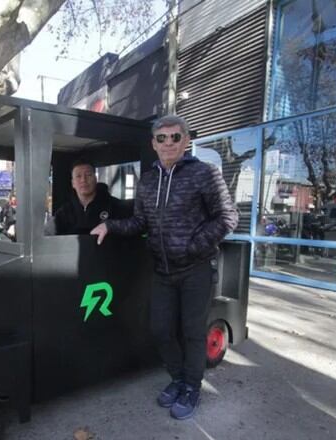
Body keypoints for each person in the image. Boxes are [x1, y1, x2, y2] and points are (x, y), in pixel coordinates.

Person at [90, 115, 238, 420]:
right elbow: (139, 222)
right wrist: (109, 226)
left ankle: (192, 388)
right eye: (162, 138)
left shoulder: (204, 174)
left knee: (193, 333)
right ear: (153, 143)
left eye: (175, 137)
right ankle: (178, 378)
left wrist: (192, 246)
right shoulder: (147, 180)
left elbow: (228, 217)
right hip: (163, 271)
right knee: (160, 330)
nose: (168, 143)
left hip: (196, 268)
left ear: (186, 141)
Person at [52, 159, 130, 235]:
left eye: (88, 175)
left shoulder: (115, 207)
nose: (83, 180)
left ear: (96, 179)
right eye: (78, 176)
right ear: (73, 183)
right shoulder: (63, 213)